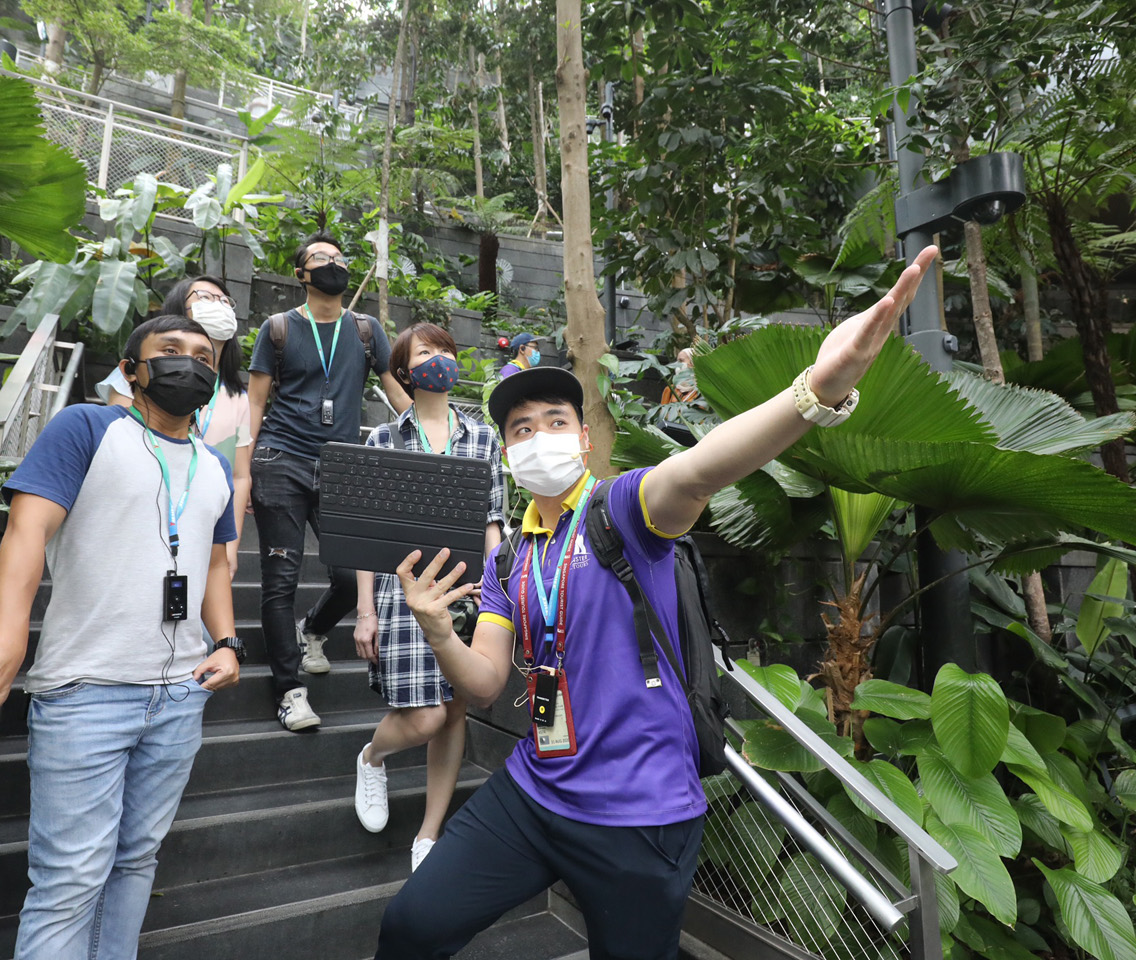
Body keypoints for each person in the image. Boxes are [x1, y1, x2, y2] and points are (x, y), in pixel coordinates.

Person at [373, 245, 937, 960]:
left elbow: (700, 468)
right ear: (506, 455)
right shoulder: (511, 559)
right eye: (519, 429)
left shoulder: (622, 512)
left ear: (582, 439)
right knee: (410, 926)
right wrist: (434, 630)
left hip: (641, 817)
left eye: (553, 421)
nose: (536, 436)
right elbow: (485, 682)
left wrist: (814, 391)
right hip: (535, 794)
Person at [0, 314, 245, 959]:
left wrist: (227, 642)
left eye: (203, 355)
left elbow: (214, 562)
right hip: (86, 693)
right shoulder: (85, 428)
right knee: (70, 880)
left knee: (136, 861)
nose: (190, 362)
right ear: (132, 371)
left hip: (181, 696)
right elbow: (25, 536)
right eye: (171, 351)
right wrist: (6, 647)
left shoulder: (214, 466)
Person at [350, 322, 505, 872]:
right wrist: (364, 611)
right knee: (424, 718)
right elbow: (368, 533)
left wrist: (498, 595)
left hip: (468, 593)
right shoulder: (383, 439)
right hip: (404, 596)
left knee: (456, 711)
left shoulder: (484, 437)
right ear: (404, 369)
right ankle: (372, 757)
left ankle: (429, 834)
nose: (439, 358)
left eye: (445, 349)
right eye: (426, 352)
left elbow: (493, 522)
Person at [245, 233, 414, 731]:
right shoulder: (278, 328)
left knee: (348, 574)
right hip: (280, 458)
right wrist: (243, 470)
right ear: (302, 274)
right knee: (280, 578)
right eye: (322, 259)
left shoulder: (365, 330)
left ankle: (313, 629)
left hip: (342, 462)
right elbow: (255, 402)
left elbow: (395, 391)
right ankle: (289, 691)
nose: (334, 265)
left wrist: (431, 437)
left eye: (339, 258)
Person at [98, 276, 253, 579]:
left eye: (224, 301)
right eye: (205, 297)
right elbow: (119, 437)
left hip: (201, 520)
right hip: (140, 511)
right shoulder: (141, 371)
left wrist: (230, 547)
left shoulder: (237, 396)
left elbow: (239, 475)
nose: (218, 305)